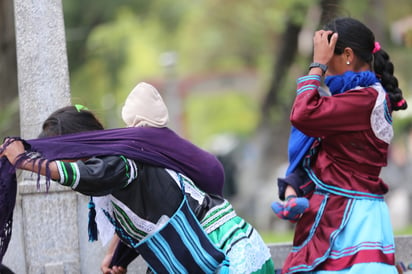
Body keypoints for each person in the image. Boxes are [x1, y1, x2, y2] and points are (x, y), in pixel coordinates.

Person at [0, 94, 274, 272]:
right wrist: (117, 259)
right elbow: (150, 220)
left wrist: (25, 161)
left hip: (230, 253)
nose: (63, 163)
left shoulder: (121, 160)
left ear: (78, 144)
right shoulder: (116, 170)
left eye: (63, 154)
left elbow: (91, 177)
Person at [276, 17, 407, 273]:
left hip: (350, 221)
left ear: (347, 54)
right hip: (348, 212)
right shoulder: (361, 99)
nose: (324, 65)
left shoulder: (364, 100)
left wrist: (316, 66)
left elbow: (302, 115)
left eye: (327, 56)